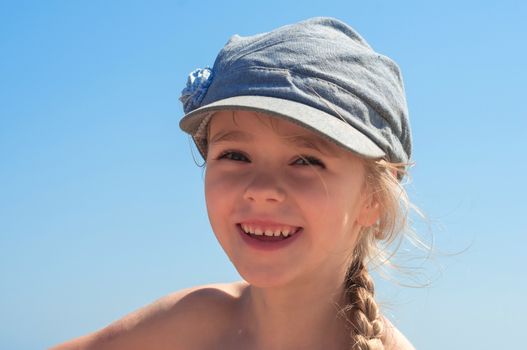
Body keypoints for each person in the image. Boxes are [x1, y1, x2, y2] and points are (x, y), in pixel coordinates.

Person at [53, 17, 417, 350]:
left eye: (306, 161)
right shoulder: (189, 325)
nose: (261, 189)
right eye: (235, 156)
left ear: (374, 198)